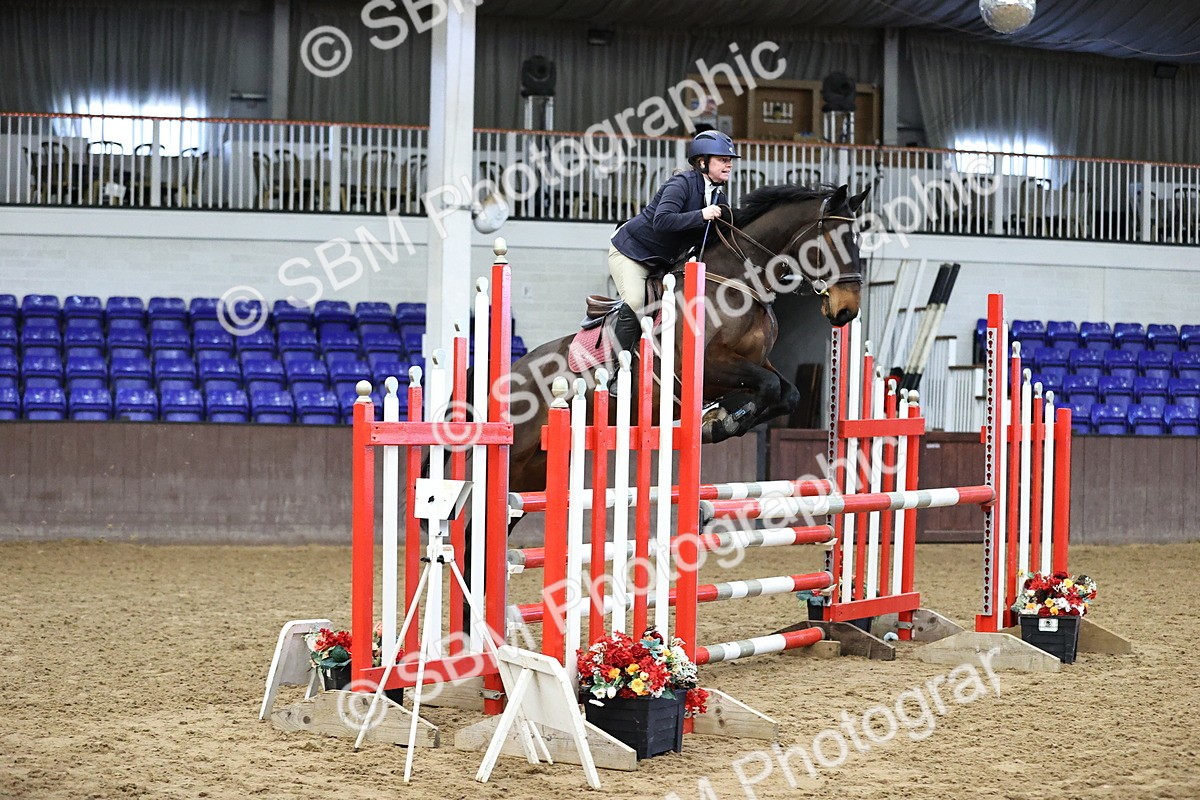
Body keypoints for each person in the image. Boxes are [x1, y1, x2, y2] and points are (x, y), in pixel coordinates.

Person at [608, 130, 739, 321]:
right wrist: (701, 215)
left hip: (665, 261)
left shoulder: (719, 196)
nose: (729, 164)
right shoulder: (680, 185)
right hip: (633, 253)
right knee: (636, 302)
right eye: (722, 159)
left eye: (730, 160)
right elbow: (661, 221)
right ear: (702, 162)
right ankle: (620, 352)